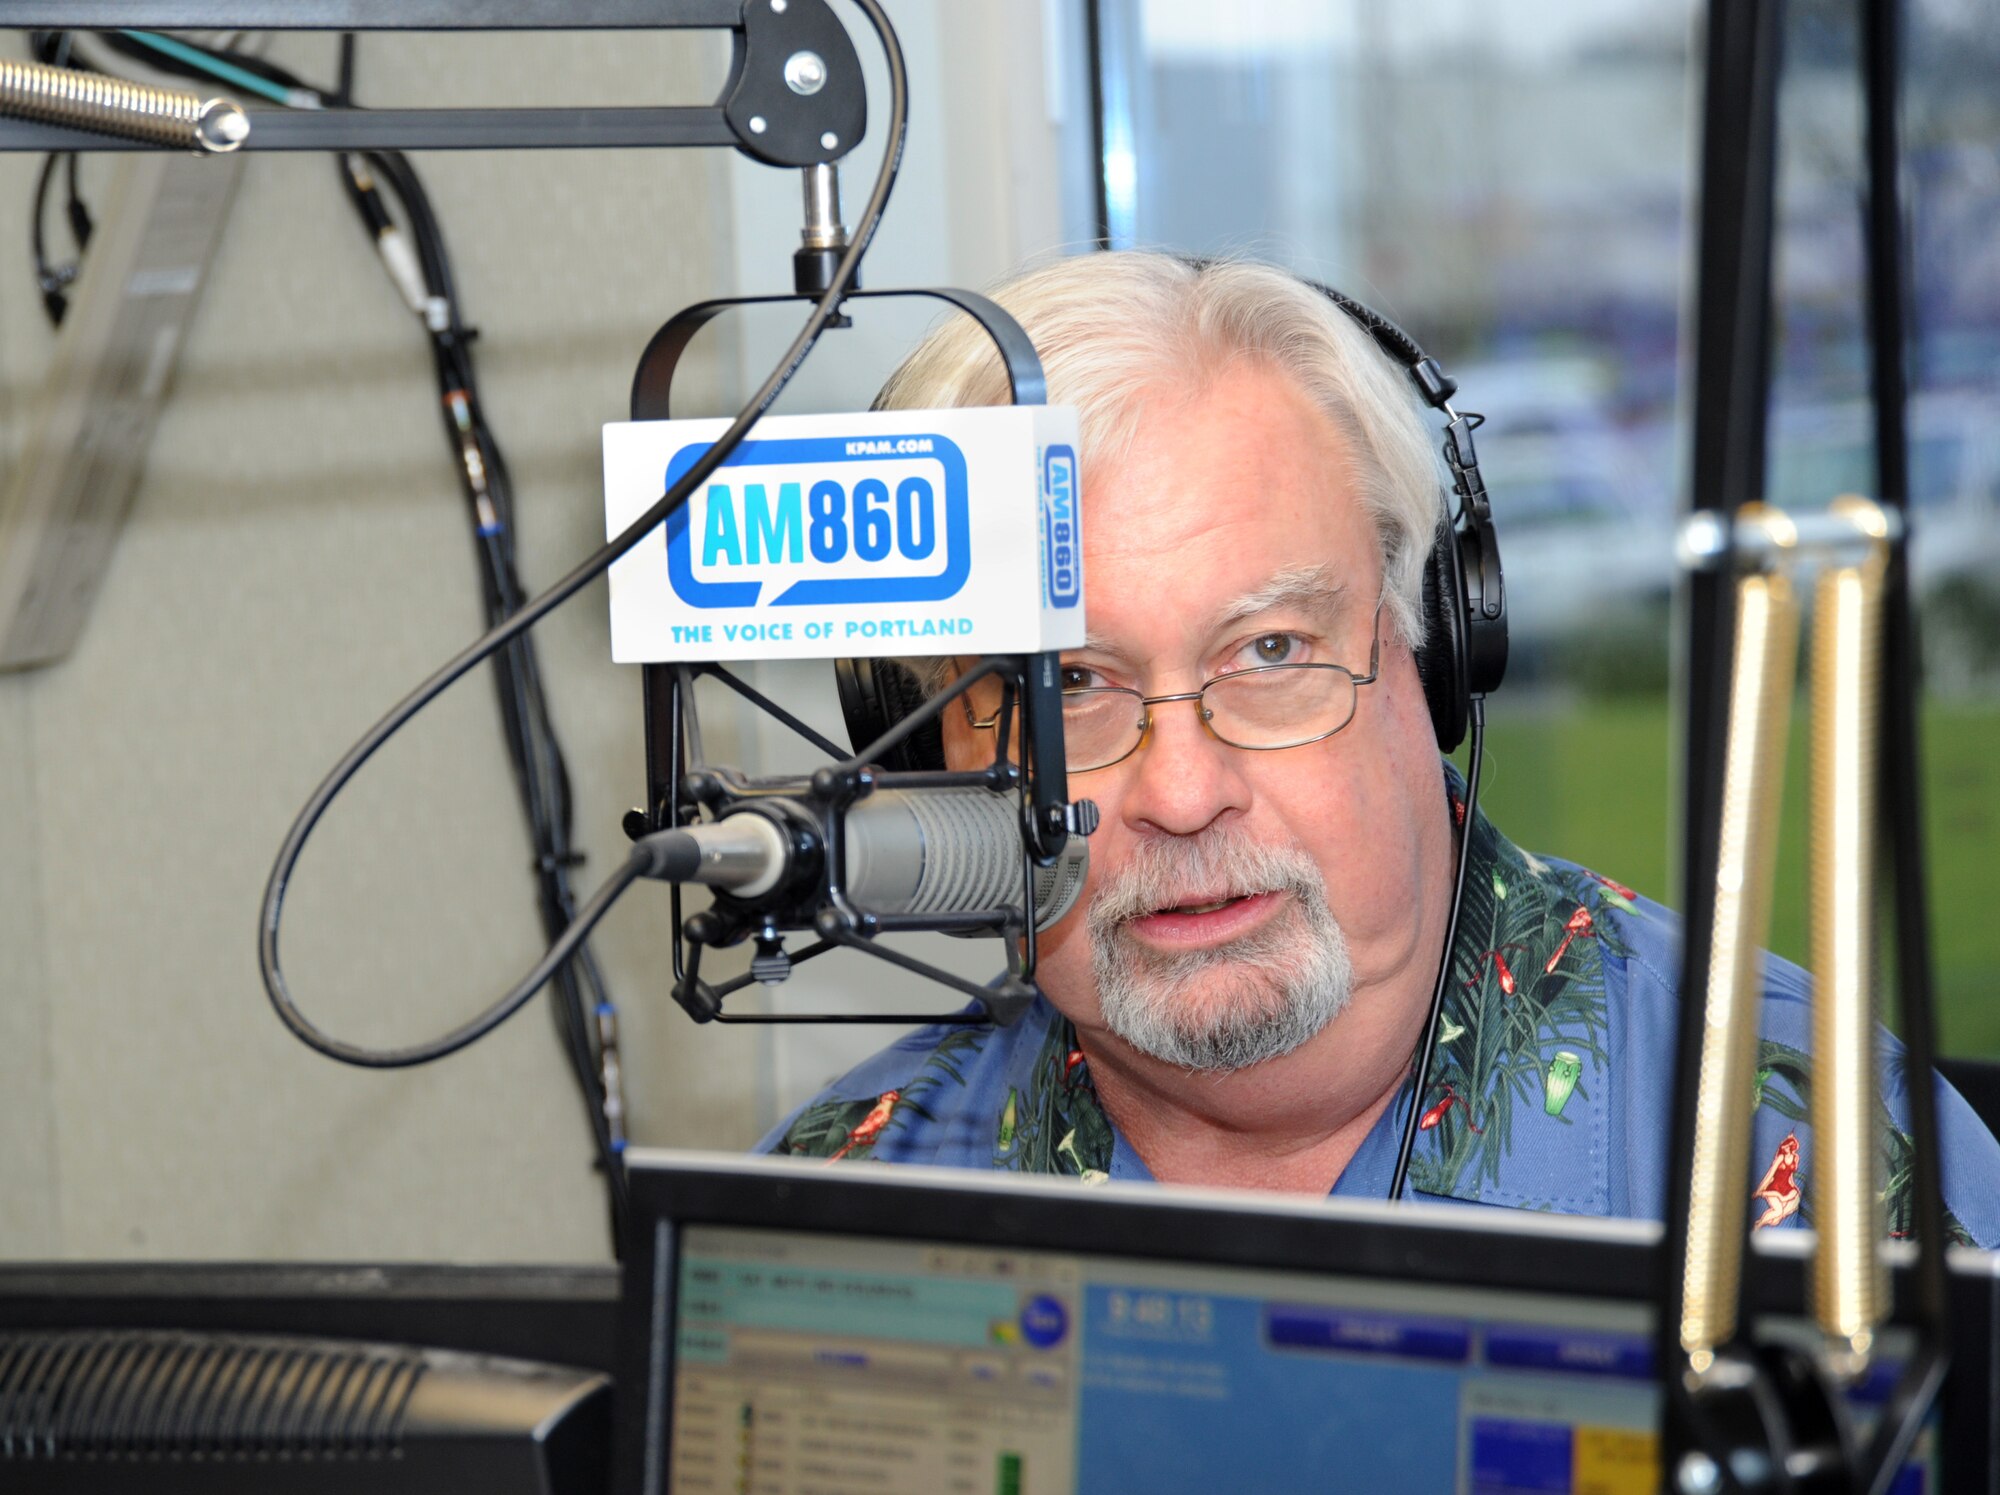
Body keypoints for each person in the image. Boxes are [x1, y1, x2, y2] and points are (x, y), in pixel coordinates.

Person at [758, 251, 2000, 1245]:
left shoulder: (1824, 1176)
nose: (1182, 793)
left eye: (1271, 652)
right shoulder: (842, 1191)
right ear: (928, 757)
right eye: (1071, 684)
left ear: (1432, 647)